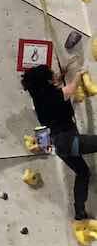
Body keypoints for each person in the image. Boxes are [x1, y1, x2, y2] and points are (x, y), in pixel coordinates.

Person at [21, 61, 94, 223]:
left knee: (82, 173)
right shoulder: (54, 95)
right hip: (68, 139)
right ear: (46, 81)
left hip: (59, 146)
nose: (54, 75)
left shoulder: (38, 101)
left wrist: (59, 78)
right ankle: (80, 209)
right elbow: (71, 89)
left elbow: (58, 94)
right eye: (51, 74)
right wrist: (79, 74)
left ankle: (79, 211)